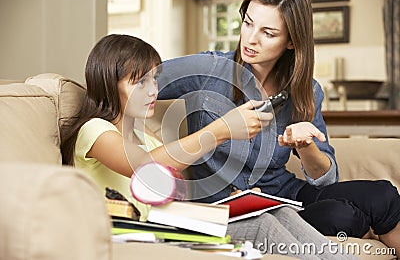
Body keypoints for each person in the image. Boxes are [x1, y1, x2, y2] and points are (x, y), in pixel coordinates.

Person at [61, 34, 354, 259]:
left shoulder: (147, 138)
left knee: (277, 213)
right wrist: (221, 130)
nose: (153, 90)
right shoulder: (95, 130)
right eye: (139, 82)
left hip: (168, 221)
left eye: (154, 79)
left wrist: (240, 203)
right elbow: (145, 166)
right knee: (262, 225)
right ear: (109, 84)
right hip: (131, 231)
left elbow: (172, 195)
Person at [157, 0, 400, 255]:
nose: (250, 38)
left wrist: (306, 146)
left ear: (292, 41)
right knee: (342, 217)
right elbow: (135, 83)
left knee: (383, 195)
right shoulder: (208, 69)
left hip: (283, 196)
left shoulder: (306, 91)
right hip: (225, 204)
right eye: (248, 23)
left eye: (268, 33)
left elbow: (326, 180)